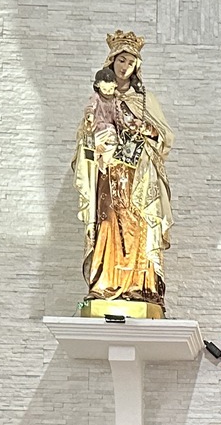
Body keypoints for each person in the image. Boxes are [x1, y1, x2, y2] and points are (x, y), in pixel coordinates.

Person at [73, 31, 172, 308]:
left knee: (137, 226)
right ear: (112, 61)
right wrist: (93, 136)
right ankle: (105, 283)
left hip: (138, 177)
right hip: (109, 174)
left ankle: (140, 285)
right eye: (121, 60)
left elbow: (164, 136)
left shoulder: (143, 100)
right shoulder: (98, 98)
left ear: (136, 67)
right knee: (108, 224)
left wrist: (146, 129)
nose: (124, 66)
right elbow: (84, 140)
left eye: (130, 62)